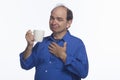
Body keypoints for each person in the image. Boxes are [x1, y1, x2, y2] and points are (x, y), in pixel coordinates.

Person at [19, 4, 89, 80]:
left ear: (68, 23)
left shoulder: (77, 44)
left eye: (59, 19)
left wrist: (64, 56)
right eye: (52, 18)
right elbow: (25, 65)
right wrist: (29, 46)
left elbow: (83, 72)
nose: (53, 22)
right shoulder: (41, 43)